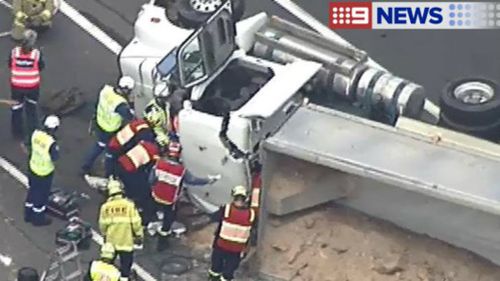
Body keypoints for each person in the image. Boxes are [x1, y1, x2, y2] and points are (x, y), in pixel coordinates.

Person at [150, 139, 220, 250]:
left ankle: (153, 223)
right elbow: (192, 181)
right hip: (170, 200)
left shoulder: (159, 164)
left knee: (157, 212)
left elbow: (151, 180)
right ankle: (162, 242)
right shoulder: (180, 170)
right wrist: (209, 180)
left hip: (156, 195)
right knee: (167, 222)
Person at [81, 77, 135, 176]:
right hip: (110, 130)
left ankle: (86, 166)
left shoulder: (106, 90)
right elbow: (130, 116)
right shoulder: (120, 104)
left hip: (100, 122)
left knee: (99, 146)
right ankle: (109, 173)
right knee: (110, 151)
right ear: (126, 89)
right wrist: (131, 103)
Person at [208, 185, 256, 281]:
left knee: (216, 268)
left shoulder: (226, 209)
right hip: (236, 249)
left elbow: (213, 217)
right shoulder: (251, 214)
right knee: (228, 272)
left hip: (221, 246)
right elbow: (252, 231)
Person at [99, 179, 143, 281]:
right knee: (125, 267)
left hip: (111, 243)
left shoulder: (105, 207)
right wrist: (139, 235)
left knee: (109, 266)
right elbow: (136, 222)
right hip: (126, 242)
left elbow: (102, 225)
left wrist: (104, 236)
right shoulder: (129, 205)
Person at [8, 29, 44, 143]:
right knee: (31, 109)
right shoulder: (36, 54)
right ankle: (33, 133)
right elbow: (41, 66)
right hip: (32, 87)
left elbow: (10, 64)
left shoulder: (14, 52)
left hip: (16, 86)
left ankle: (17, 133)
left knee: (17, 108)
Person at [115, 139, 160, 227]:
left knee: (130, 188)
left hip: (120, 163)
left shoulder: (145, 143)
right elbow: (154, 169)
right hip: (129, 170)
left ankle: (130, 199)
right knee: (144, 193)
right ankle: (145, 216)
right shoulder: (155, 153)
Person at [24, 115, 60, 226]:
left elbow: (29, 145)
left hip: (33, 167)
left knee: (32, 191)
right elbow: (55, 158)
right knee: (41, 196)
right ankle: (38, 219)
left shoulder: (36, 134)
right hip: (44, 172)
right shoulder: (51, 143)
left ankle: (28, 214)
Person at [104, 109, 161, 177]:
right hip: (120, 148)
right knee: (117, 169)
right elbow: (145, 144)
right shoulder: (145, 130)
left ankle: (110, 176)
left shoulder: (139, 122)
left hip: (115, 142)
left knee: (112, 165)